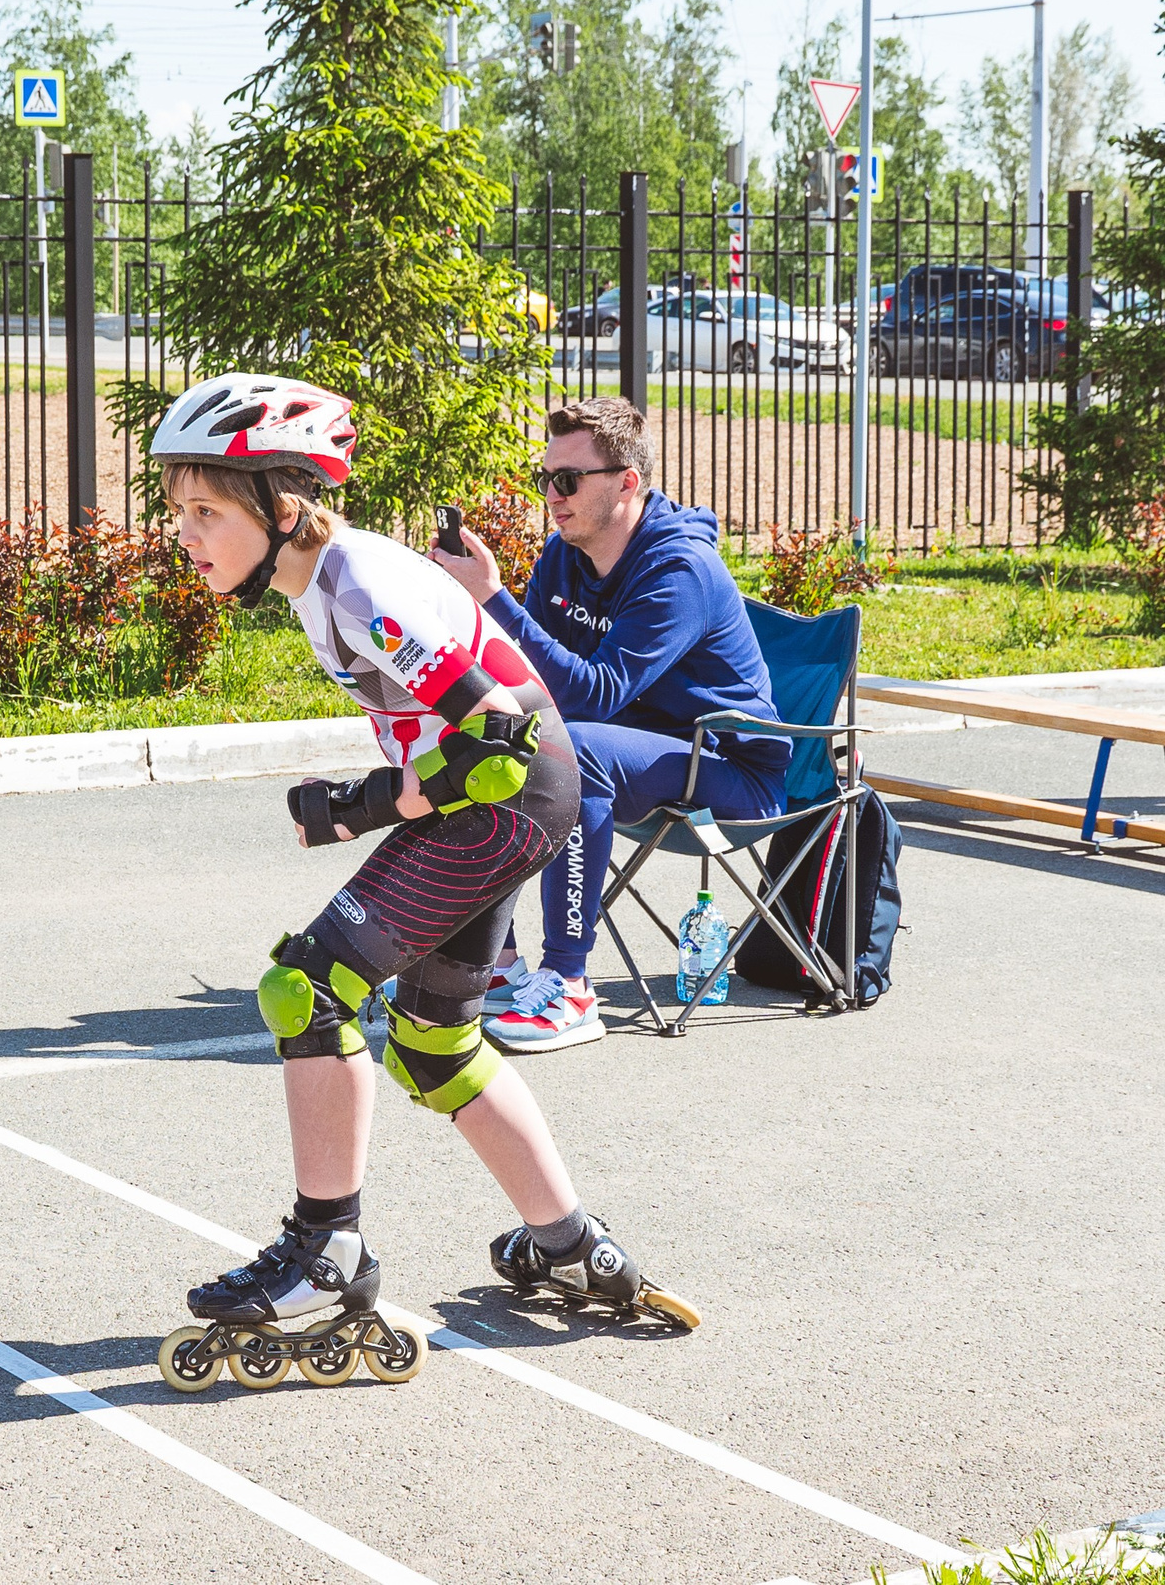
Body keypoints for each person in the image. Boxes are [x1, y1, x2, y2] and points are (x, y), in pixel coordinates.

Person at [150, 374, 694, 1395]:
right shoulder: (325, 578)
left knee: (304, 988)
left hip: (506, 795)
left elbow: (499, 736)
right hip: (498, 798)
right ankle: (571, 1244)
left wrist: (361, 805)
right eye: (179, 510)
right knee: (434, 1044)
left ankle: (327, 1252)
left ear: (283, 505)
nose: (185, 534)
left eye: (206, 511)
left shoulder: (360, 584)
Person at [430, 397, 785, 1051]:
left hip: (729, 763)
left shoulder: (679, 571)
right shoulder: (564, 555)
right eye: (546, 479)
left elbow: (593, 697)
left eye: (568, 480)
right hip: (641, 744)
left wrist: (493, 597)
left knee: (576, 749)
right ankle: (496, 955)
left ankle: (568, 982)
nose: (552, 496)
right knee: (487, 732)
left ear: (627, 481)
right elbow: (527, 678)